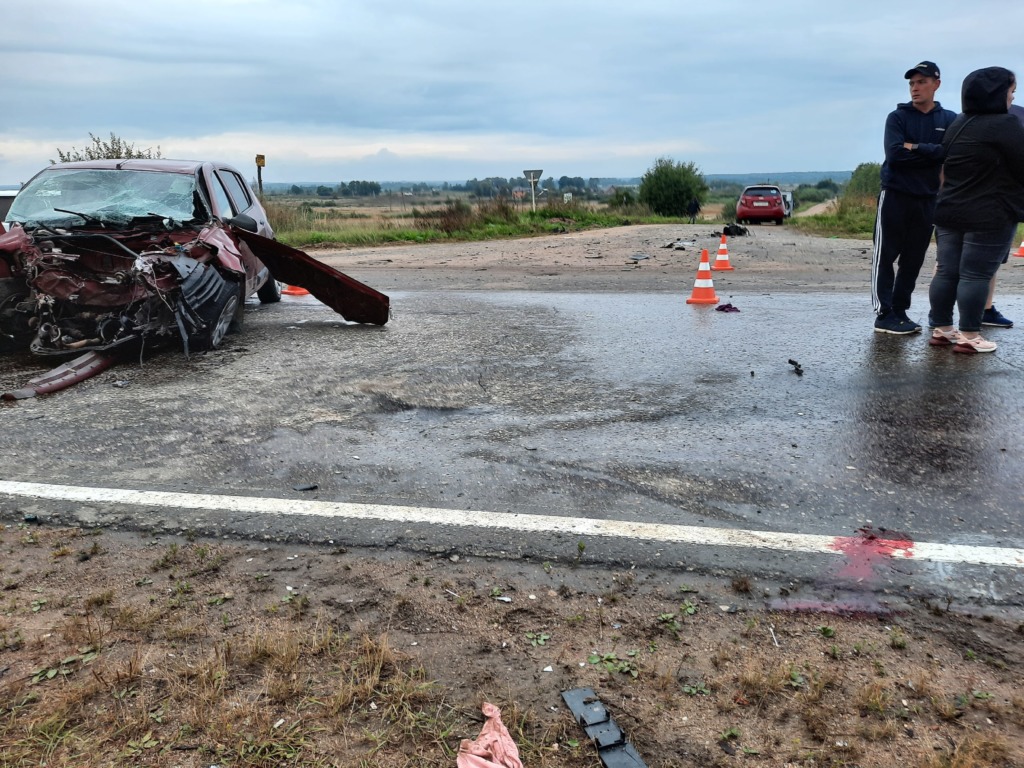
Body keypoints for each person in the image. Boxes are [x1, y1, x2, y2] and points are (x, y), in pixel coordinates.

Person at [927, 67, 1024, 353]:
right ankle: (970, 335)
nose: (1012, 97)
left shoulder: (959, 122)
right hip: (989, 213)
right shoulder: (1005, 125)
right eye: (1010, 91)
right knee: (975, 275)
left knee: (946, 272)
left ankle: (942, 329)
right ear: (996, 93)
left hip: (949, 209)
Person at [871, 61, 957, 334]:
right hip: (895, 195)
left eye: (921, 82)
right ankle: (883, 314)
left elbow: (949, 154)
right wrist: (932, 154)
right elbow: (895, 155)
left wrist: (917, 147)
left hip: (927, 198)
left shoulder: (949, 119)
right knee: (885, 256)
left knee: (913, 259)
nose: (915, 88)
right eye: (911, 83)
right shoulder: (897, 118)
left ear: (936, 84)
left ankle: (900, 311)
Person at [976, 102, 1024, 329]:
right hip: (985, 199)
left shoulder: (1018, 114)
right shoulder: (1008, 116)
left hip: (1005, 203)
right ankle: (942, 318)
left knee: (993, 261)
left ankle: (985, 309)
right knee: (951, 261)